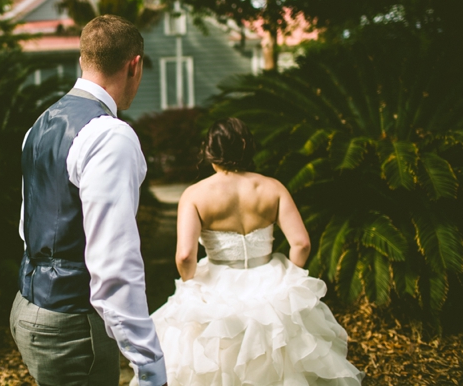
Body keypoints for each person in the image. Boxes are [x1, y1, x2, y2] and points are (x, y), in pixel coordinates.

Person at [132, 118, 364, 385]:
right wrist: (292, 276)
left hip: (216, 283)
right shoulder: (273, 188)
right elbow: (302, 243)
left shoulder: (195, 195)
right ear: (246, 148)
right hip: (269, 280)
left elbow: (185, 255)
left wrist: (190, 285)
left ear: (209, 152)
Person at [10, 15, 168, 386]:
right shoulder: (110, 137)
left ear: (82, 61)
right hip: (73, 326)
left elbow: (27, 225)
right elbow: (114, 263)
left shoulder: (42, 123)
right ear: (135, 65)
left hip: (28, 308)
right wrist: (149, 364)